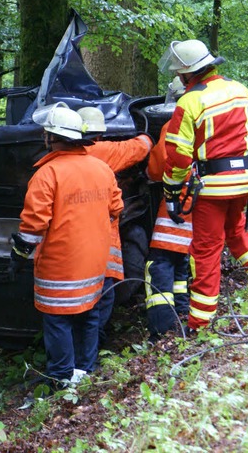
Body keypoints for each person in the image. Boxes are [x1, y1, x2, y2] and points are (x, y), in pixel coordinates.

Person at [158, 39, 248, 332]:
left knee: (205, 250)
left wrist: (172, 189)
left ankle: (200, 322)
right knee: (237, 232)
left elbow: (178, 154)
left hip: (213, 188)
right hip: (244, 181)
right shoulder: (240, 90)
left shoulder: (190, 101)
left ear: (187, 74)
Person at [9, 103, 124, 390]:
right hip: (95, 262)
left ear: (50, 137)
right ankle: (85, 371)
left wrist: (18, 255)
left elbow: (34, 225)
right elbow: (116, 208)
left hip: (60, 265)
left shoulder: (47, 174)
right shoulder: (102, 169)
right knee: (88, 314)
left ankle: (61, 378)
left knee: (58, 319)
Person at [76, 106, 155, 346]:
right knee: (102, 299)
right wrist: (148, 136)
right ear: (99, 134)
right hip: (100, 243)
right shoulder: (101, 151)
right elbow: (135, 149)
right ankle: (92, 350)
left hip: (71, 244)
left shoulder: (55, 163)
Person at [144, 77, 193, 340]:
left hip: (180, 203)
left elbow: (157, 166)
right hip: (208, 202)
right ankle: (182, 315)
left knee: (159, 264)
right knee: (180, 264)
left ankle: (163, 329)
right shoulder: (211, 117)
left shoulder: (176, 122)